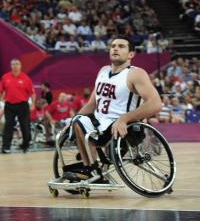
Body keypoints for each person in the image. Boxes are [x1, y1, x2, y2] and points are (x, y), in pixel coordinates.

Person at [66, 37, 163, 181]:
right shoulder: (103, 71)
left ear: (131, 54)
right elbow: (92, 104)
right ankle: (90, 168)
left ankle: (92, 169)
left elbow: (156, 104)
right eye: (113, 46)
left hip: (122, 126)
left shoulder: (135, 74)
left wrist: (124, 119)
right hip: (101, 122)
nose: (115, 48)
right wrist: (73, 119)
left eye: (121, 46)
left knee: (80, 123)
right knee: (77, 121)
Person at [0, 58, 35, 153]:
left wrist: (33, 104)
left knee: (25, 125)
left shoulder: (26, 78)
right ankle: (6, 147)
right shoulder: (5, 77)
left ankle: (25, 145)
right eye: (13, 64)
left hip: (23, 105)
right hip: (9, 105)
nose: (15, 65)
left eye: (17, 64)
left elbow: (32, 93)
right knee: (8, 125)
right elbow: (0, 90)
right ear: (11, 66)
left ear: (20, 66)